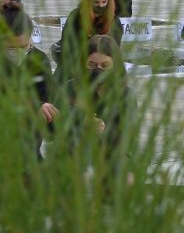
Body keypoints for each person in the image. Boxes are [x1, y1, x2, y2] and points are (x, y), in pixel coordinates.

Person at [55, 35, 137, 168]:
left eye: (105, 65)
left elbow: (127, 141)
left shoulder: (126, 96)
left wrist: (104, 130)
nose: (98, 70)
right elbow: (57, 122)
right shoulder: (69, 89)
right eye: (92, 65)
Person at [0, 1, 57, 158]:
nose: (18, 53)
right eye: (11, 48)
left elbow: (46, 102)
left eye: (24, 47)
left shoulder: (39, 60)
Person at [57, 0, 123, 82]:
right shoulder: (75, 17)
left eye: (104, 2)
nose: (100, 6)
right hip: (76, 69)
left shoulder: (115, 22)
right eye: (96, 2)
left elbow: (115, 52)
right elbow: (67, 49)